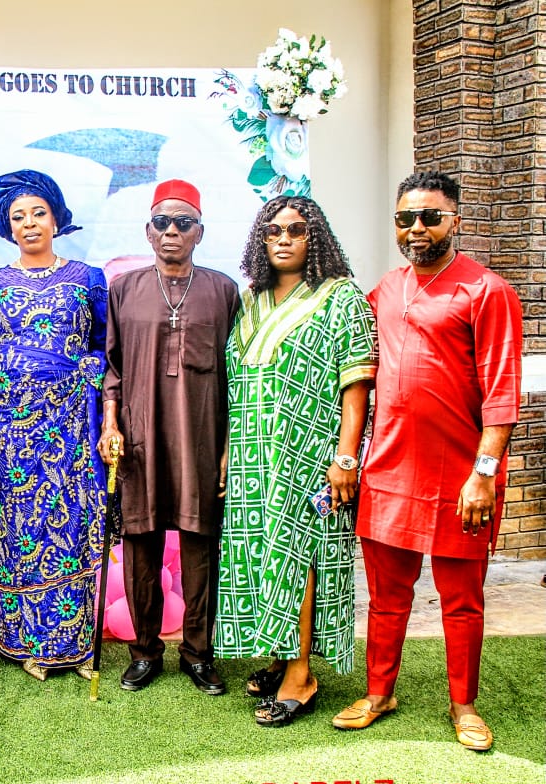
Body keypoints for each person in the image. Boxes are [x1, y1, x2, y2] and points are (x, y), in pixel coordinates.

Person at [334, 171, 522, 751]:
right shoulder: (385, 290)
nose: (416, 228)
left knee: (462, 602)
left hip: (460, 478)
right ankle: (379, 692)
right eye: (405, 218)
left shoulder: (487, 290)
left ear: (455, 221)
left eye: (430, 217)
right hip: (388, 472)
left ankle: (464, 705)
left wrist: (484, 474)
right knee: (387, 598)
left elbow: (502, 391)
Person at [214, 196, 376, 727]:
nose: (283, 239)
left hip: (307, 454)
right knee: (263, 557)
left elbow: (357, 385)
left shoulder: (341, 297)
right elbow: (239, 384)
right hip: (252, 454)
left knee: (298, 558)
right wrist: (228, 451)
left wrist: (346, 457)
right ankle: (281, 655)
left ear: (316, 235)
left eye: (296, 229)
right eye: (272, 231)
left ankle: (301, 675)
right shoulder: (251, 299)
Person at [98, 179, 238, 694]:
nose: (171, 231)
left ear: (200, 232)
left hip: (202, 437)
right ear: (148, 231)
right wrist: (110, 422)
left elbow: (238, 375)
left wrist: (228, 448)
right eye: (162, 222)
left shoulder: (223, 290)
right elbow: (111, 366)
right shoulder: (124, 289)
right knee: (141, 545)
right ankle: (144, 651)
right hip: (140, 438)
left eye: (183, 222)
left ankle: (198, 654)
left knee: (201, 547)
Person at [0, 169, 108, 681]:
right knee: (21, 526)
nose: (29, 223)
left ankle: (76, 645)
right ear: (7, 227)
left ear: (56, 219)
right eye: (18, 217)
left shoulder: (88, 279)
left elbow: (107, 345)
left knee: (72, 523)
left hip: (71, 419)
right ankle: (28, 643)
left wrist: (86, 373)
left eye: (38, 213)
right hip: (10, 425)